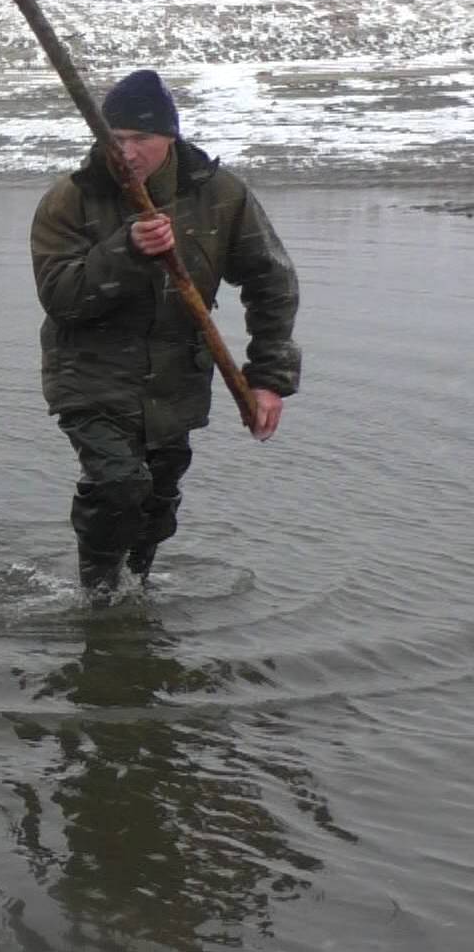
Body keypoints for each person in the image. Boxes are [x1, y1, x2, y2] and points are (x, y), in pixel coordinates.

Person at [30, 69, 300, 597]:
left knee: (157, 495)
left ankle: (137, 587)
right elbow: (61, 298)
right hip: (89, 374)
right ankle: (99, 597)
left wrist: (268, 378)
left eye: (140, 139)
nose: (126, 152)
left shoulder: (221, 196)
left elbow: (273, 283)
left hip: (177, 379)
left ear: (169, 138)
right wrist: (125, 251)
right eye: (116, 139)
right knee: (118, 484)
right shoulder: (71, 198)